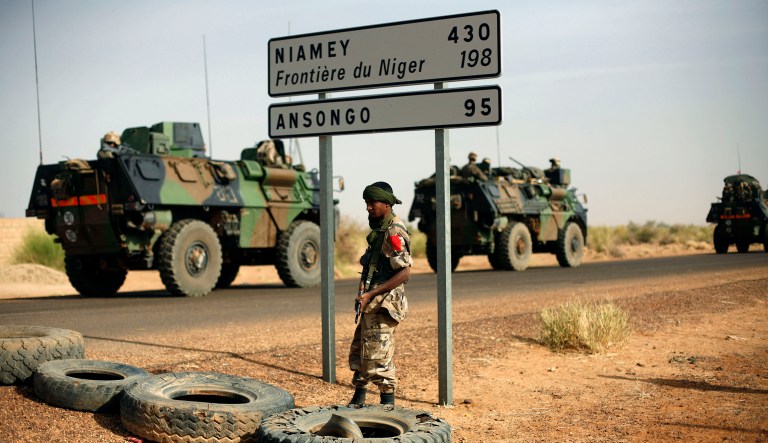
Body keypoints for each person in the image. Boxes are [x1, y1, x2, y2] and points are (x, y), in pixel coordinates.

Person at [348, 181, 412, 410]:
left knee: (380, 359)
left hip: (383, 305)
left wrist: (372, 293)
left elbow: (404, 272)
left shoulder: (393, 232)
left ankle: (388, 409)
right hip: (371, 303)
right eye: (366, 203)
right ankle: (357, 402)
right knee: (362, 353)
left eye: (372, 203)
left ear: (386, 203)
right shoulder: (379, 231)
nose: (368, 208)